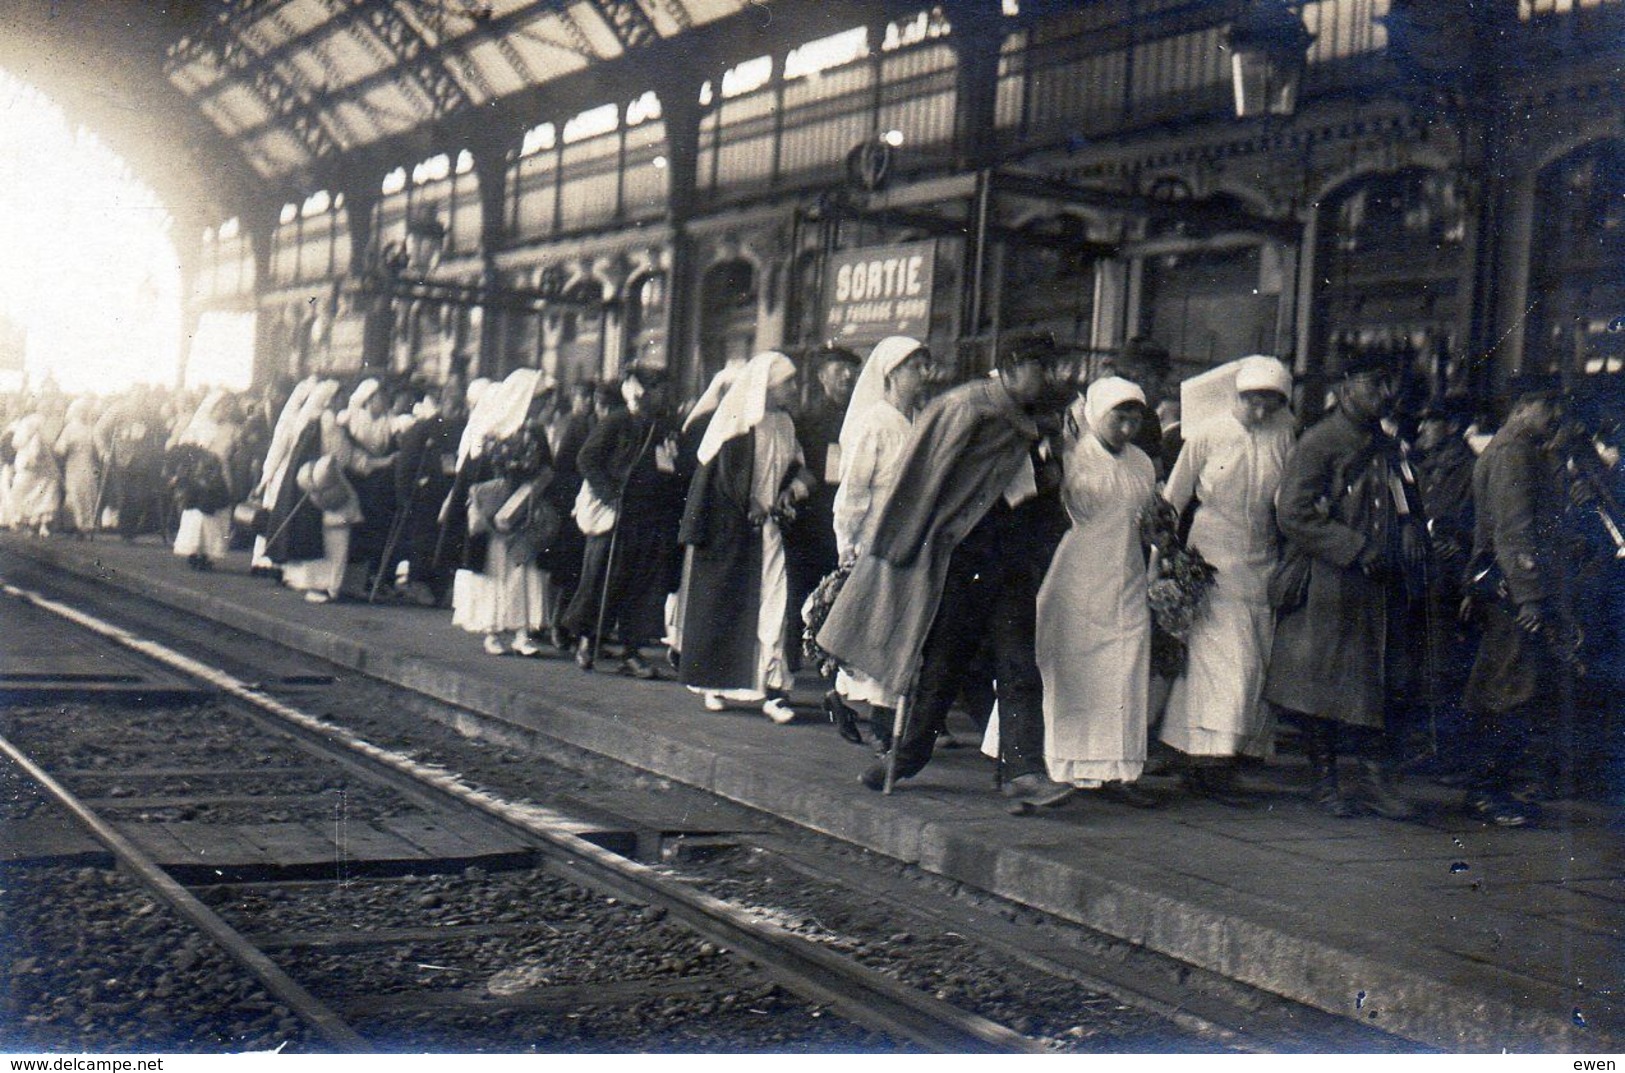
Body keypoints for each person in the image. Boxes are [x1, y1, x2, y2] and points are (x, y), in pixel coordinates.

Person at [817, 332, 1075, 805]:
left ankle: (1024, 772)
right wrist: (904, 547)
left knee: (1020, 663)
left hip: (1009, 554)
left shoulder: (1029, 419)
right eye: (1041, 368)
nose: (1048, 379)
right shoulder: (966, 407)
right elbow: (922, 479)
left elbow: (1033, 485)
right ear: (1014, 366)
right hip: (961, 556)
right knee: (943, 664)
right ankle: (906, 757)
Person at [1265, 353, 1427, 819]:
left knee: (1379, 683)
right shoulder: (1319, 442)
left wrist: (1413, 524)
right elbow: (1292, 513)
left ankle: (1376, 782)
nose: (1385, 393)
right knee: (1325, 686)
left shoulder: (1387, 443)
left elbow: (1405, 492)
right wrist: (1354, 548)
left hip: (1381, 583)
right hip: (1332, 582)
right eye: (1375, 383)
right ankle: (1324, 782)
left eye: (1387, 384)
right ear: (1345, 388)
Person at [1159, 356, 1297, 803]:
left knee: (1252, 657)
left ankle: (1214, 753)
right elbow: (1172, 501)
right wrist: (1163, 561)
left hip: (1262, 559)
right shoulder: (1208, 434)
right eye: (1253, 402)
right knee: (1224, 661)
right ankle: (1211, 761)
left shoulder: (1283, 435)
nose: (1260, 412)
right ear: (1237, 396)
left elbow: (1287, 501)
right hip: (1211, 557)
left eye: (1270, 404)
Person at [1035, 376, 1159, 806]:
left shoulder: (1143, 463)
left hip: (1127, 572)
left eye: (1134, 417)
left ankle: (1117, 770)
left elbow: (1149, 518)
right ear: (1095, 414)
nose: (1126, 427)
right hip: (1078, 572)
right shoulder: (1071, 457)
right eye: (1117, 417)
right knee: (1076, 668)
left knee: (1124, 668)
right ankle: (1063, 763)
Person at [1458, 377, 1573, 826]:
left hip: (1504, 589)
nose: (1556, 417)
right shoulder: (1513, 455)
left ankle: (1493, 788)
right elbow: (1513, 530)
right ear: (1524, 407)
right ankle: (1488, 793)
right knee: (1507, 689)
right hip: (1512, 594)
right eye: (1550, 408)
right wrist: (1530, 597)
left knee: (1505, 686)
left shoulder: (1517, 451)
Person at [680, 352, 815, 720]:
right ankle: (714, 684)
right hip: (733, 534)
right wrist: (749, 503)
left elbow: (798, 467)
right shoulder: (738, 425)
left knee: (776, 602)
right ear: (768, 385)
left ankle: (774, 690)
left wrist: (794, 490)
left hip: (772, 530)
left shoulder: (785, 424)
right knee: (727, 604)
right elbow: (723, 480)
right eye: (788, 381)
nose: (793, 388)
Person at [824, 337, 931, 748]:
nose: (923, 375)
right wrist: (847, 541)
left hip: (913, 538)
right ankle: (883, 724)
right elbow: (853, 489)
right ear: (890, 374)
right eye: (914, 368)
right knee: (879, 628)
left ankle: (849, 700)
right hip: (877, 539)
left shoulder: (918, 420)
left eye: (926, 367)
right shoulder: (875, 423)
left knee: (892, 628)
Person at [562, 365, 688, 678]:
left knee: (643, 586)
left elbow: (674, 467)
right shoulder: (617, 421)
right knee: (602, 580)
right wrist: (609, 494)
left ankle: (632, 651)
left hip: (651, 517)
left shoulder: (664, 426)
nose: (663, 395)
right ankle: (588, 641)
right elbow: (586, 459)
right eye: (658, 389)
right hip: (617, 516)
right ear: (641, 392)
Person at [448, 368, 554, 657]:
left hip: (524, 511)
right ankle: (493, 630)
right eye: (536, 400)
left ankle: (522, 632)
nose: (541, 407)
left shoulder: (535, 433)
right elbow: (473, 474)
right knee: (496, 571)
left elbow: (548, 468)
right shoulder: (490, 430)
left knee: (524, 571)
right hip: (497, 515)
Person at [1411, 394, 1480, 774]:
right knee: (1423, 662)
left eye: (1430, 421)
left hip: (1449, 581)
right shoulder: (1424, 466)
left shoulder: (1469, 469)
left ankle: (1447, 754)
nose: (1421, 428)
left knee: (1445, 665)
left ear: (1451, 426)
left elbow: (1478, 527)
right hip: (1422, 576)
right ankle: (1431, 747)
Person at [786, 348, 861, 667]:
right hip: (810, 519)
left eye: (852, 370)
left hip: (844, 516)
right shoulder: (804, 420)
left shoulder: (860, 417)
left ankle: (828, 659)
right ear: (821, 376)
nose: (847, 375)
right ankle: (791, 654)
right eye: (839, 369)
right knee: (802, 587)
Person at [168, 389, 239, 570]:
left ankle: (209, 553)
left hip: (221, 474)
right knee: (198, 514)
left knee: (217, 514)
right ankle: (195, 550)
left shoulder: (231, 429)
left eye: (229, 406)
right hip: (200, 475)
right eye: (222, 406)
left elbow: (235, 452)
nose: (226, 410)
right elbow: (185, 450)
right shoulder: (198, 426)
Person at [6, 412, 60, 536]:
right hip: (34, 473)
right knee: (37, 497)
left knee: (39, 497)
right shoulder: (33, 441)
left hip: (37, 474)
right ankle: (36, 524)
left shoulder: (34, 441)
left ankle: (37, 524)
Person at [54, 397, 101, 536]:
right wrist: (68, 447)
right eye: (81, 411)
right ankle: (75, 524)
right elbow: (60, 448)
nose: (83, 413)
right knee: (74, 492)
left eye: (85, 411)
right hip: (74, 464)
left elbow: (97, 446)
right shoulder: (70, 428)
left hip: (89, 463)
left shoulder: (91, 428)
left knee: (88, 492)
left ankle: (87, 524)